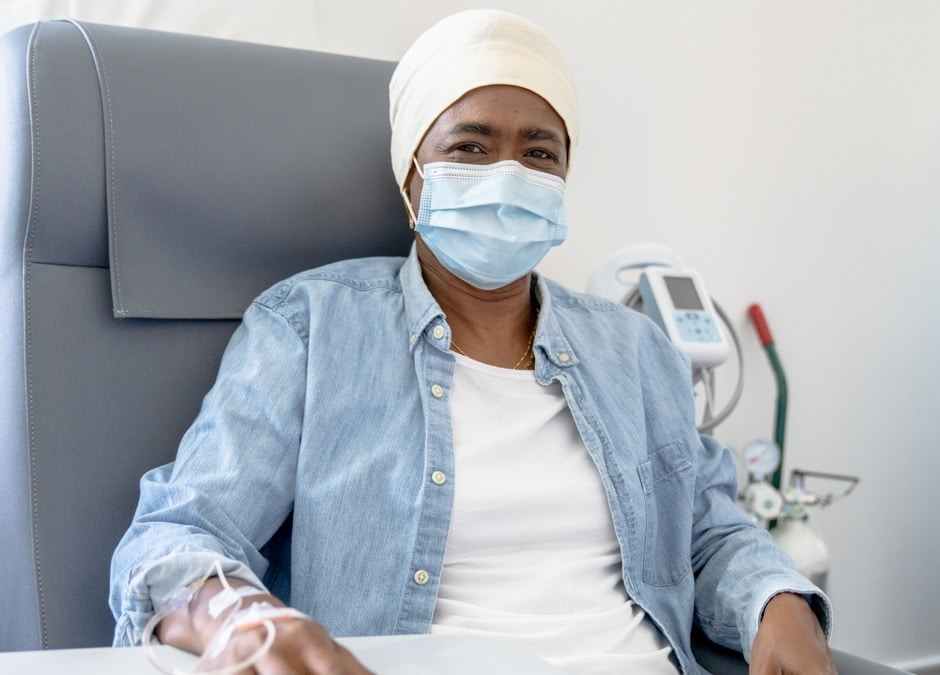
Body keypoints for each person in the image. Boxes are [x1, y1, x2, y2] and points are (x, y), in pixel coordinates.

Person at [109, 9, 836, 675]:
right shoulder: (310, 327)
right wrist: (242, 620)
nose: (507, 176)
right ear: (411, 177)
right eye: (470, 146)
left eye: (539, 153)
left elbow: (711, 530)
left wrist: (779, 602)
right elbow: (174, 536)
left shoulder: (635, 349)